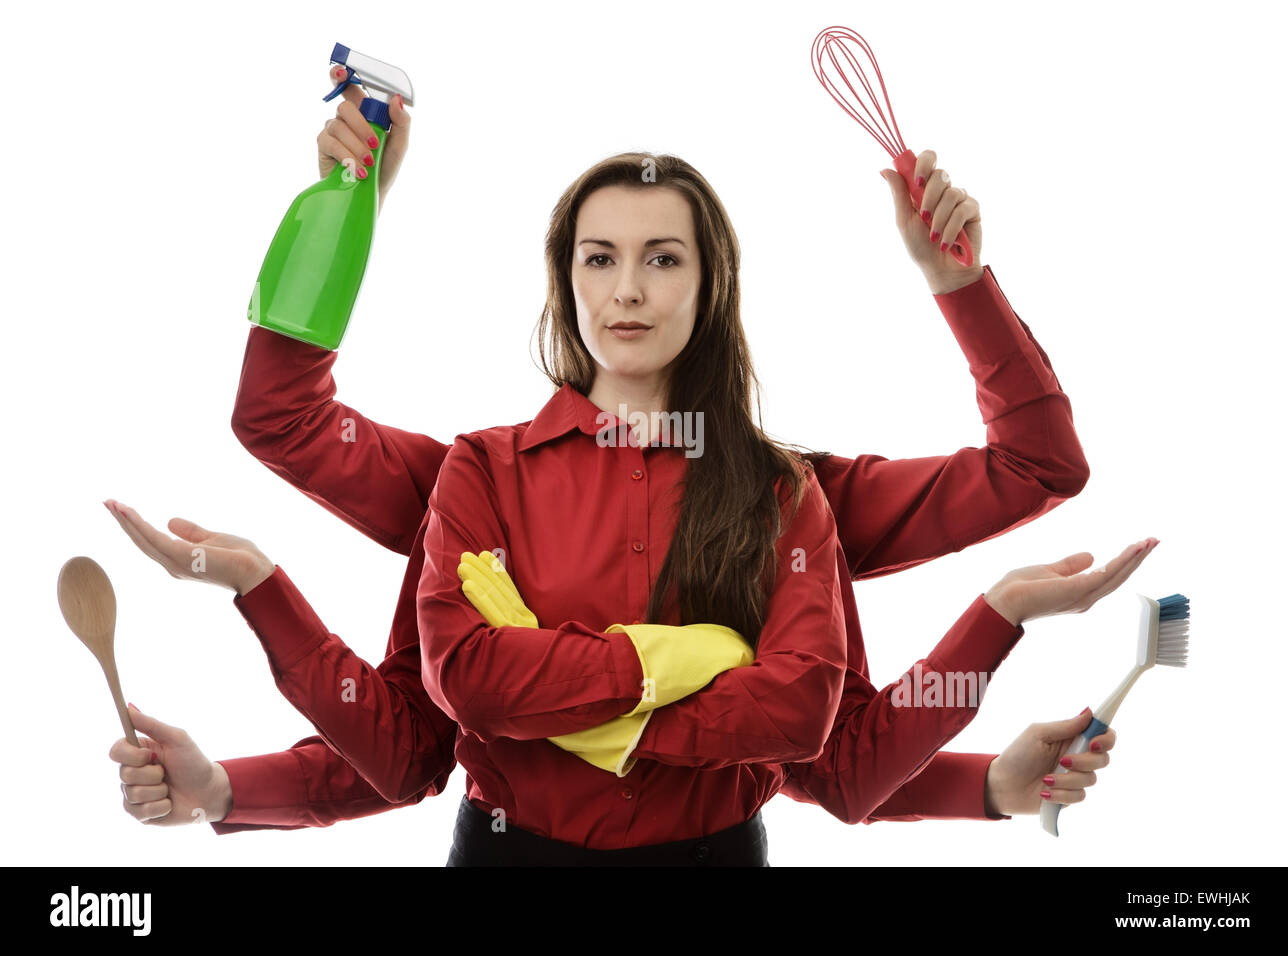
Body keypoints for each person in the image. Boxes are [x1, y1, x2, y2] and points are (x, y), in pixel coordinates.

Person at [106, 76, 1144, 857]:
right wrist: (349, 205)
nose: (628, 289)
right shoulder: (473, 477)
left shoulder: (793, 496)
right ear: (564, 282)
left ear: (710, 283)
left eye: (663, 256)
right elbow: (422, 728)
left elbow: (826, 742)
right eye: (598, 256)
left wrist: (956, 284)